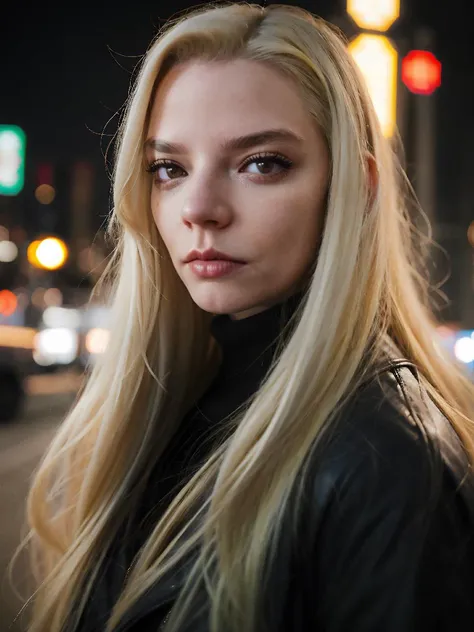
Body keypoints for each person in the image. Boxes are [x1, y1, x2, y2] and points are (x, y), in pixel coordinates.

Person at [20, 3, 474, 631]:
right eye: (169, 169)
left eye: (261, 162)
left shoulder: (385, 465)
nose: (199, 208)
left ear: (353, 187)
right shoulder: (172, 409)